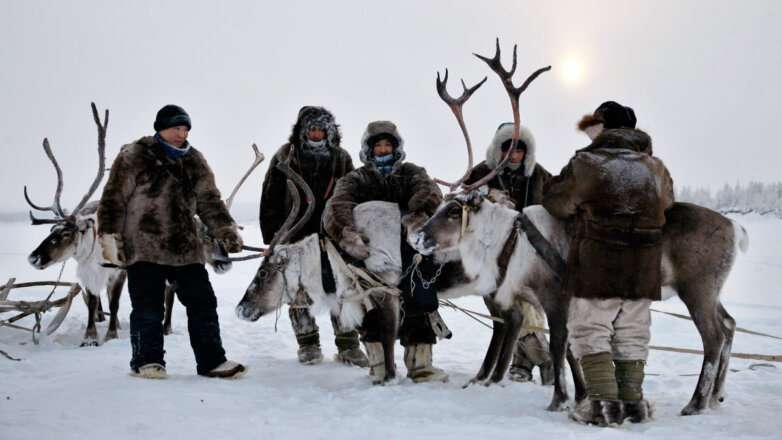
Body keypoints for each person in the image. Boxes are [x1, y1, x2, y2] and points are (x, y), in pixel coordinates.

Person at [542, 101, 674, 426]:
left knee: (589, 329)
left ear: (601, 127)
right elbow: (667, 203)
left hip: (598, 262)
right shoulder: (654, 166)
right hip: (644, 264)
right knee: (631, 333)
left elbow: (557, 201)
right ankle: (633, 406)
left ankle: (599, 407)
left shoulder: (587, 162)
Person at [97, 104, 246, 379]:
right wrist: (109, 235)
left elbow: (210, 201)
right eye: (176, 128)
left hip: (185, 248)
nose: (181, 134)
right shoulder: (134, 156)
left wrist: (225, 229)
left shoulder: (195, 160)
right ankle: (147, 362)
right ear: (160, 128)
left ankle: (213, 361)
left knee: (203, 303)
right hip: (143, 246)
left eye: (185, 128)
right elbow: (113, 199)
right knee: (148, 307)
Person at [323, 120, 448, 383]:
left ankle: (420, 364)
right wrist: (348, 232)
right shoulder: (357, 179)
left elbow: (430, 191)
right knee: (373, 306)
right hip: (373, 255)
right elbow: (338, 205)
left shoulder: (411, 173)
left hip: (409, 251)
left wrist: (417, 215)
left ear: (396, 147)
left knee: (418, 301)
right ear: (368, 149)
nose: (382, 150)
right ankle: (378, 364)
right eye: (377, 145)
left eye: (387, 145)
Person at [260, 106, 368, 367]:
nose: (317, 133)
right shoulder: (285, 156)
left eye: (322, 129)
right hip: (296, 235)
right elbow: (270, 197)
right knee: (297, 292)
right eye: (312, 128)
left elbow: (354, 193)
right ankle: (307, 344)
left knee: (341, 288)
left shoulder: (341, 158)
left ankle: (348, 345)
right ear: (302, 130)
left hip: (332, 235)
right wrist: (273, 239)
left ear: (330, 132)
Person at [464, 122, 554, 384]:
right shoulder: (480, 173)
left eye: (519, 150)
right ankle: (542, 361)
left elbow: (555, 204)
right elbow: (464, 205)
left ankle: (527, 364)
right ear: (498, 150)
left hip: (530, 254)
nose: (513, 156)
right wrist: (488, 197)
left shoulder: (538, 175)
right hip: (490, 257)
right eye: (508, 149)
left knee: (524, 310)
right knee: (509, 311)